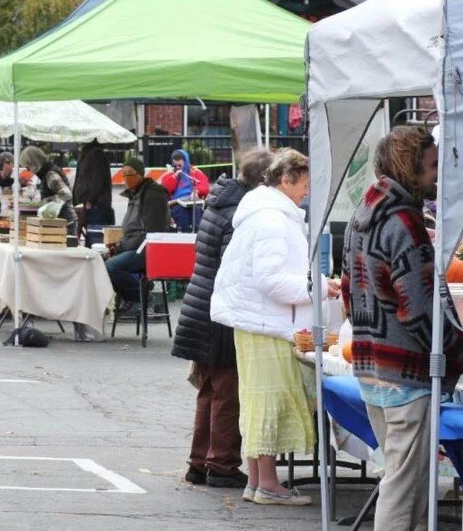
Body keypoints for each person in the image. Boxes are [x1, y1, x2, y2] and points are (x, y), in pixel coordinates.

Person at [342, 126, 463, 530]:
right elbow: (419, 311)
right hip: (404, 371)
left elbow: (348, 295)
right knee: (403, 483)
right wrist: (456, 348)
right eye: (432, 165)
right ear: (410, 167)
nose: (437, 174)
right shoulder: (403, 221)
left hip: (370, 363)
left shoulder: (362, 214)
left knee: (408, 478)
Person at [210, 149, 341, 506]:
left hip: (258, 320)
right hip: (267, 322)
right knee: (269, 401)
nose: (307, 191)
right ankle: (267, 483)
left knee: (257, 402)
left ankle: (258, 482)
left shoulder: (264, 213)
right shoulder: (272, 219)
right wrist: (317, 287)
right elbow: (271, 280)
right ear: (286, 179)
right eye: (304, 184)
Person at [171, 149, 274, 489]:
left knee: (210, 388)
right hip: (220, 311)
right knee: (227, 390)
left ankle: (200, 461)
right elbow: (237, 267)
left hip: (201, 305)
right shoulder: (240, 211)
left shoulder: (221, 201)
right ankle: (222, 463)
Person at [104, 157, 172, 312]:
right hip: (135, 247)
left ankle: (141, 298)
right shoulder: (135, 194)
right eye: (124, 173)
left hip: (149, 250)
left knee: (111, 267)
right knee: (99, 263)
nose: (126, 177)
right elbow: (133, 229)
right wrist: (118, 247)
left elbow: (150, 234)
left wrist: (120, 247)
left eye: (130, 173)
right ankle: (131, 297)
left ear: (140, 175)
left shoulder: (153, 194)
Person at [20, 146, 77, 236]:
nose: (28, 170)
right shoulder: (47, 173)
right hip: (60, 222)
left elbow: (66, 194)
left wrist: (46, 201)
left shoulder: (51, 174)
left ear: (34, 163)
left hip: (64, 223)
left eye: (28, 167)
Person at [72, 141, 115, 242]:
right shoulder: (85, 153)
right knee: (91, 240)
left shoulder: (96, 154)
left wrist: (90, 201)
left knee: (96, 240)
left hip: (96, 206)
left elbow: (98, 181)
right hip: (88, 206)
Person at [160, 149, 211, 232]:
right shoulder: (170, 174)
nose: (177, 167)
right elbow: (165, 189)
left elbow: (205, 186)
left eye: (180, 165)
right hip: (176, 203)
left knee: (197, 214)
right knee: (182, 216)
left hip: (193, 201)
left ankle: (197, 234)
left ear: (185, 162)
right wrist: (174, 177)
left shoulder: (195, 172)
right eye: (175, 165)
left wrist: (196, 191)